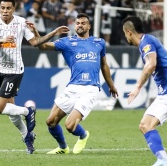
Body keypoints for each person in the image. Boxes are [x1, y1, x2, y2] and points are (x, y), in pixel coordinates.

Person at [0, 0, 69, 154]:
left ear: (14, 9)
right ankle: (27, 137)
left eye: (8, 8)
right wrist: (3, 40)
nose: (5, 11)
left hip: (14, 71)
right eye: (2, 8)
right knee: (11, 110)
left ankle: (28, 111)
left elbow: (37, 42)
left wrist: (54, 32)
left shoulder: (21, 23)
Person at [28, 13, 118, 154]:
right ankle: (63, 147)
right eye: (77, 23)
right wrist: (44, 32)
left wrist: (111, 85)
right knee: (50, 122)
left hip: (90, 89)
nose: (80, 25)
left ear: (89, 26)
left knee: (70, 126)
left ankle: (83, 135)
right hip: (73, 87)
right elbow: (42, 46)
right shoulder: (67, 42)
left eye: (83, 23)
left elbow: (104, 65)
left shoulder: (99, 42)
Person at [122, 16, 167, 166]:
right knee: (145, 125)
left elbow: (151, 65)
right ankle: (164, 160)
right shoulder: (146, 42)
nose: (125, 36)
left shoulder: (146, 41)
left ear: (129, 32)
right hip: (165, 94)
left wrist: (137, 87)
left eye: (124, 33)